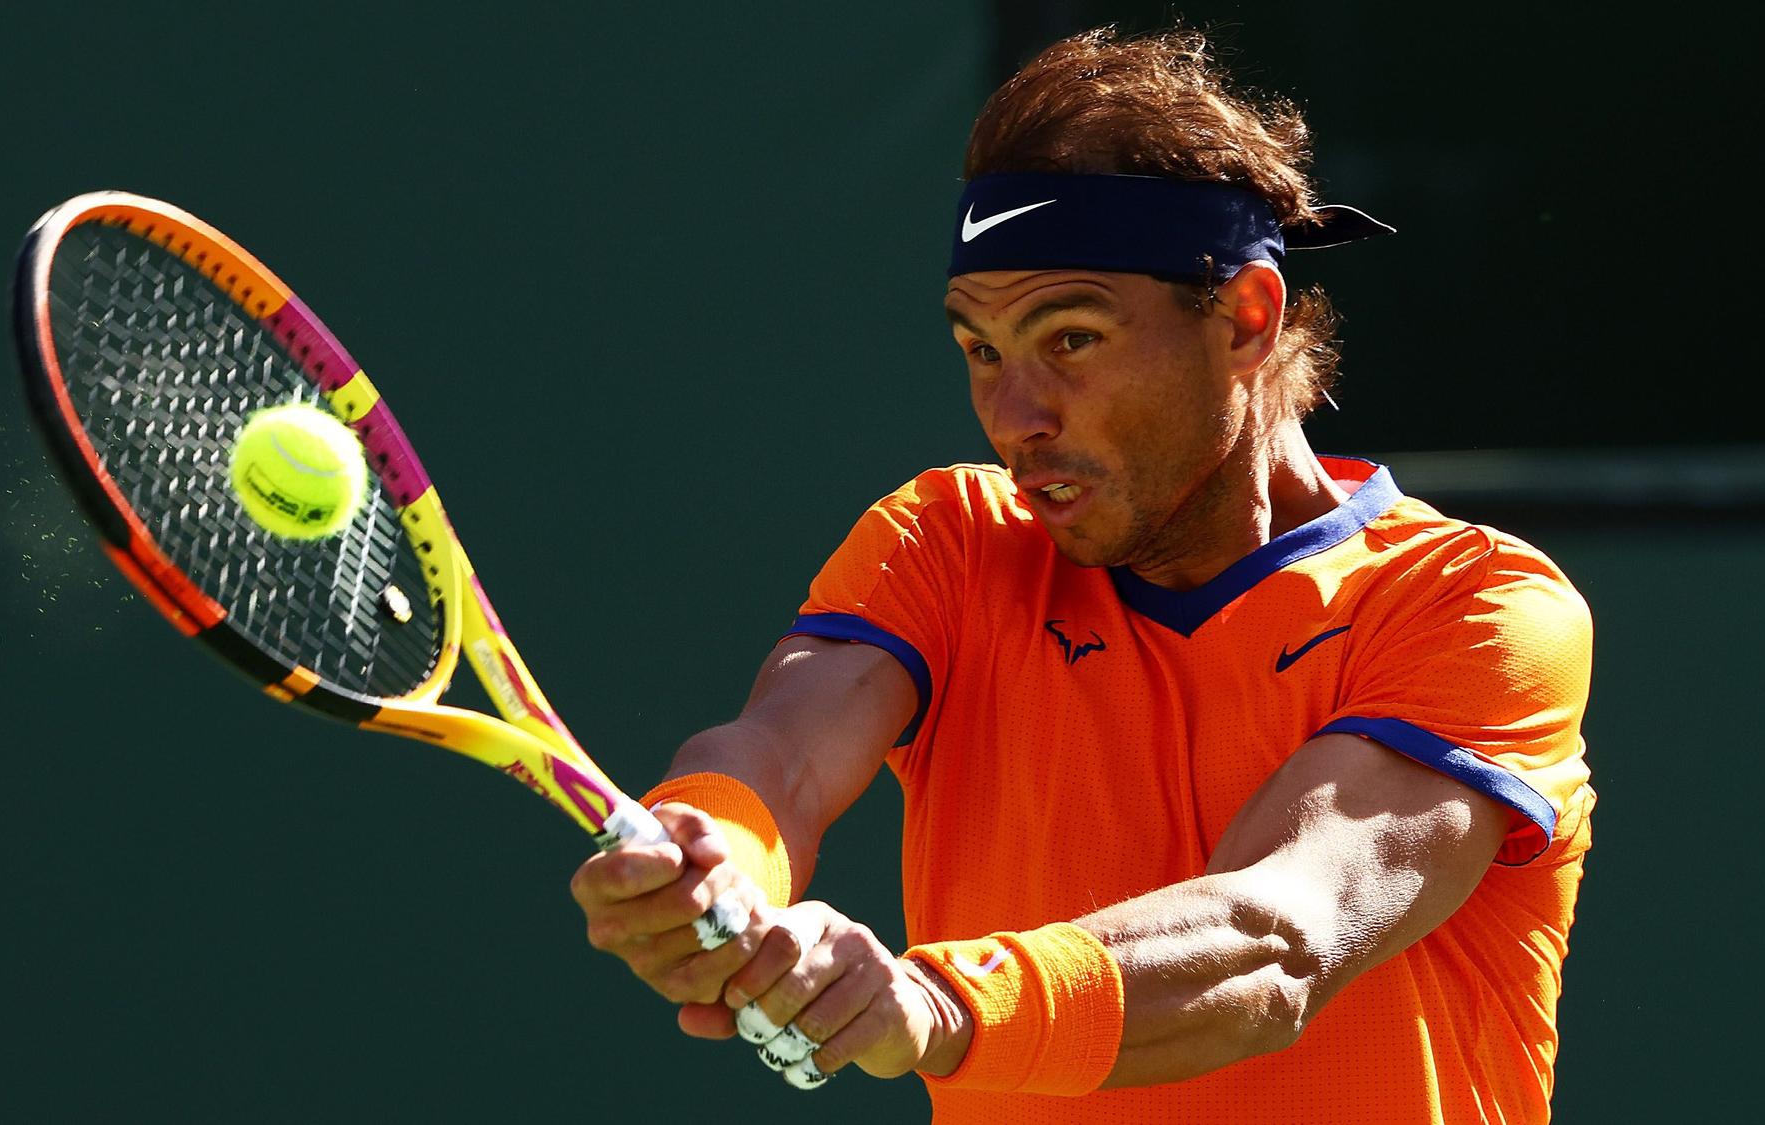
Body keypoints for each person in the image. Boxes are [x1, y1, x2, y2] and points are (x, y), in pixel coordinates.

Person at [570, 28, 1594, 1125]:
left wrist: (937, 1006)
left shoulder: (1472, 606)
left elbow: (1274, 940)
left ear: (1244, 317)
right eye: (980, 350)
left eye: (1069, 340)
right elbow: (779, 751)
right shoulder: (945, 543)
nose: (1014, 418)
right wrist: (712, 849)